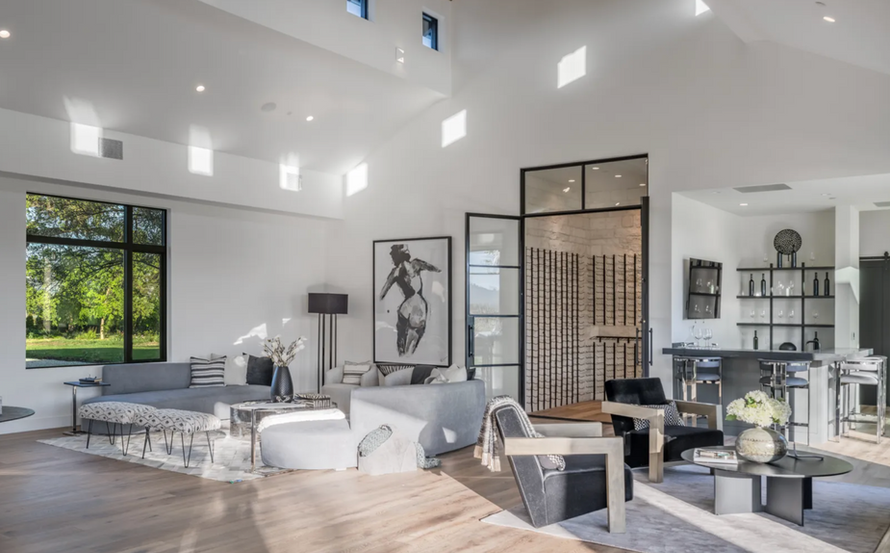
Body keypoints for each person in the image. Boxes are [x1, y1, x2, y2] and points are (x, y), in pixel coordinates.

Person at [379, 244, 441, 356]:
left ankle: (402, 355)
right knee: (413, 342)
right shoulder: (416, 264)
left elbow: (383, 292)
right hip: (420, 307)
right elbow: (436, 269)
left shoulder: (396, 272)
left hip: (409, 306)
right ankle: (406, 356)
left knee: (403, 339)